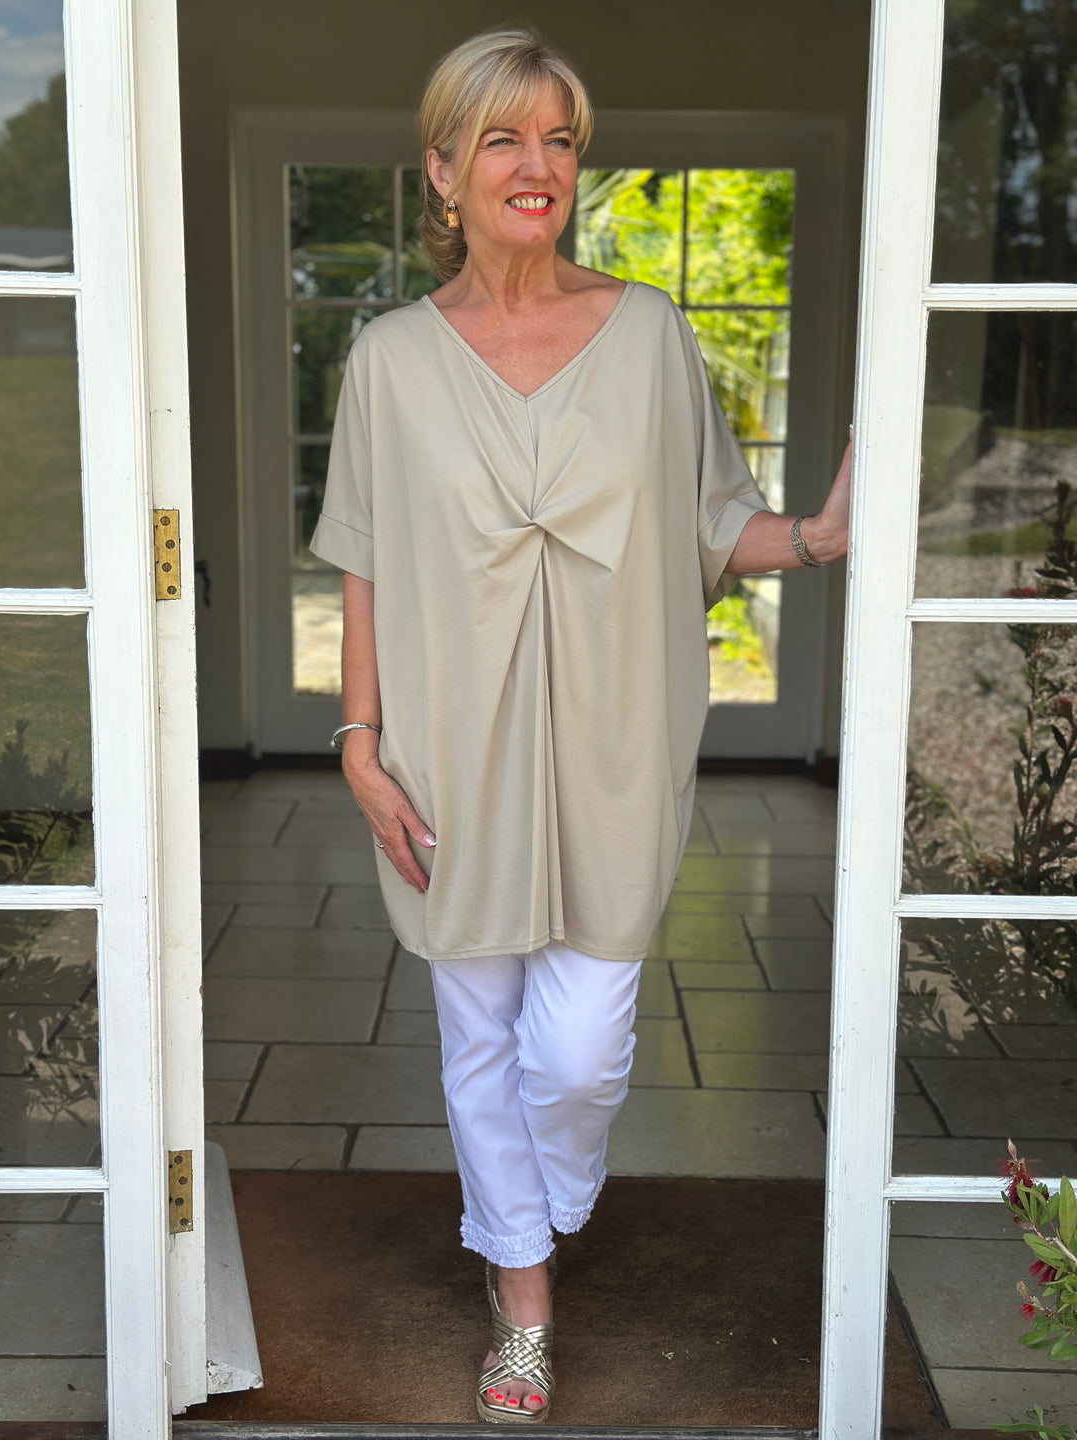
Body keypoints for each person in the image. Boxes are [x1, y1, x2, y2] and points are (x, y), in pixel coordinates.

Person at [310, 28, 851, 1425]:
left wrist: (818, 532)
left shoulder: (652, 334)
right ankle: (524, 1299)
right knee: (478, 1039)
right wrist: (359, 742)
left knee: (581, 1054)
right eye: (502, 138)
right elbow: (363, 558)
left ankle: (527, 1212)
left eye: (558, 137)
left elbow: (716, 521)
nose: (536, 163)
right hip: (448, 748)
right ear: (444, 170)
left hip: (616, 743)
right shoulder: (388, 359)